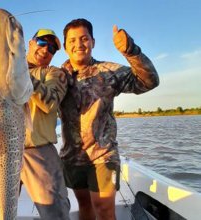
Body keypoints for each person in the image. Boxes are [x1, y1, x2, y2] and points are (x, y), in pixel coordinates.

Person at [59, 19, 159, 220]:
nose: (79, 44)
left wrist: (131, 51)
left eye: (84, 38)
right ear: (65, 46)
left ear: (93, 42)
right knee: (85, 206)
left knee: (104, 210)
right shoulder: (58, 77)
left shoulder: (109, 71)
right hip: (73, 157)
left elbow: (149, 81)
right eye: (72, 40)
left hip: (104, 155)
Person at [0, 29, 70, 220]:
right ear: (30, 43)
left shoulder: (54, 73)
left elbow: (50, 103)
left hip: (38, 152)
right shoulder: (2, 71)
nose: (46, 49)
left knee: (55, 213)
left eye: (52, 48)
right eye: (42, 42)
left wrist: (19, 70)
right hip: (2, 151)